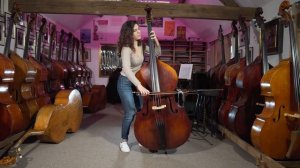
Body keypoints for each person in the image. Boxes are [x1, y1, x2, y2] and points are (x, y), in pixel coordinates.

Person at [117, 20, 161, 152]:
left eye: (139, 29)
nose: (139, 31)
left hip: (138, 80)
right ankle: (124, 140)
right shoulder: (126, 48)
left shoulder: (141, 45)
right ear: (129, 33)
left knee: (142, 110)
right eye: (135, 30)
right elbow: (127, 68)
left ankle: (142, 137)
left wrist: (156, 41)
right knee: (130, 112)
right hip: (125, 81)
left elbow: (157, 54)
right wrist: (140, 86)